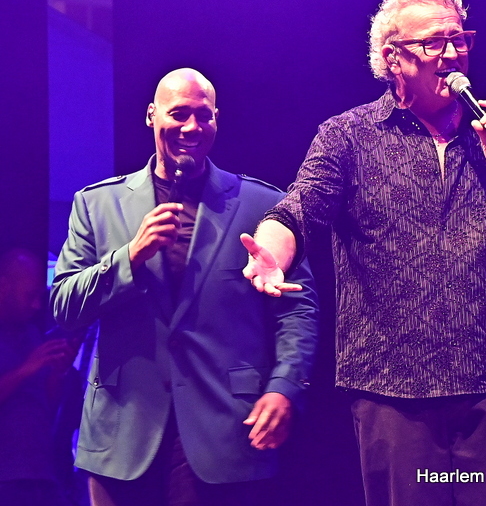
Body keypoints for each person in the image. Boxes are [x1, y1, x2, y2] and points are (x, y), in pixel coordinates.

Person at [241, 0, 486, 506]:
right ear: (393, 59)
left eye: (459, 39)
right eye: (434, 43)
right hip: (392, 389)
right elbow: (299, 209)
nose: (452, 54)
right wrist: (271, 256)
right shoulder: (348, 136)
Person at [50, 68, 319, 506]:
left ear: (216, 119)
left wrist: (285, 386)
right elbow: (64, 306)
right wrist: (129, 257)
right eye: (179, 114)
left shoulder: (264, 205)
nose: (192, 127)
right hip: (122, 432)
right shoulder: (97, 204)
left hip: (226, 431)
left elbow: (298, 309)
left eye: (203, 115)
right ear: (151, 115)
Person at [0, 248, 74, 506]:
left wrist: (58, 371)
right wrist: (25, 370)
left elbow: (45, 405)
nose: (36, 305)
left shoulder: (31, 333)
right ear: (3, 287)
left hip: (42, 473)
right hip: (6, 478)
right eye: (29, 296)